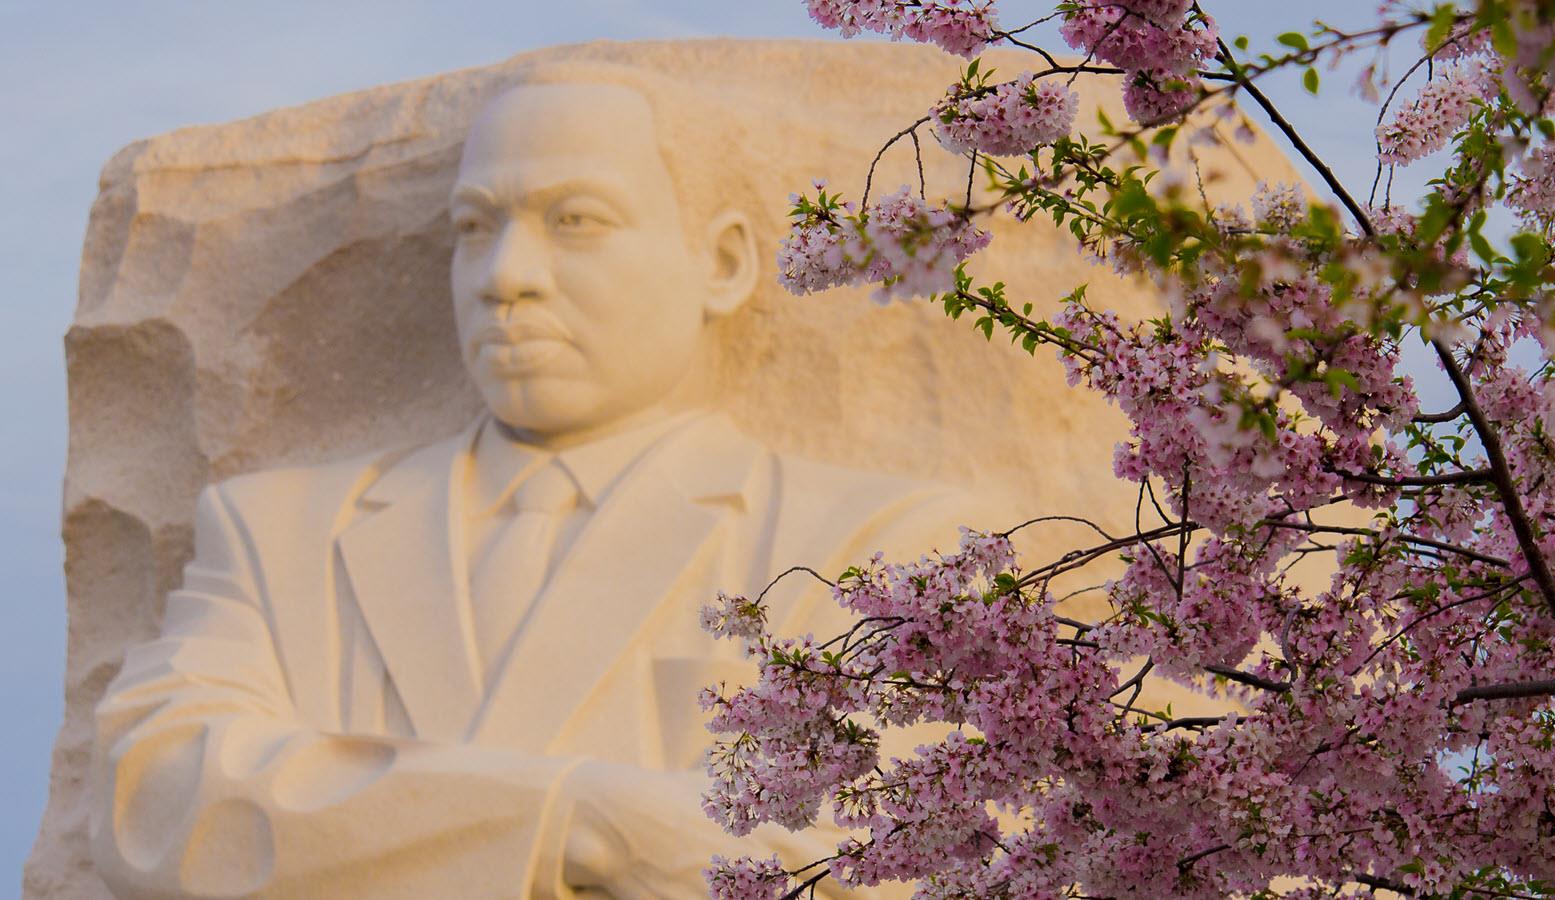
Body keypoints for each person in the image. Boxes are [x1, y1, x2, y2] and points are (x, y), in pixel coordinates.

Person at [89, 69, 990, 899]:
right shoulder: (279, 532)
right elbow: (159, 798)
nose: (505, 278)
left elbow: (904, 862)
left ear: (721, 264)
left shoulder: (877, 547)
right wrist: (582, 818)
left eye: (577, 221)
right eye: (475, 228)